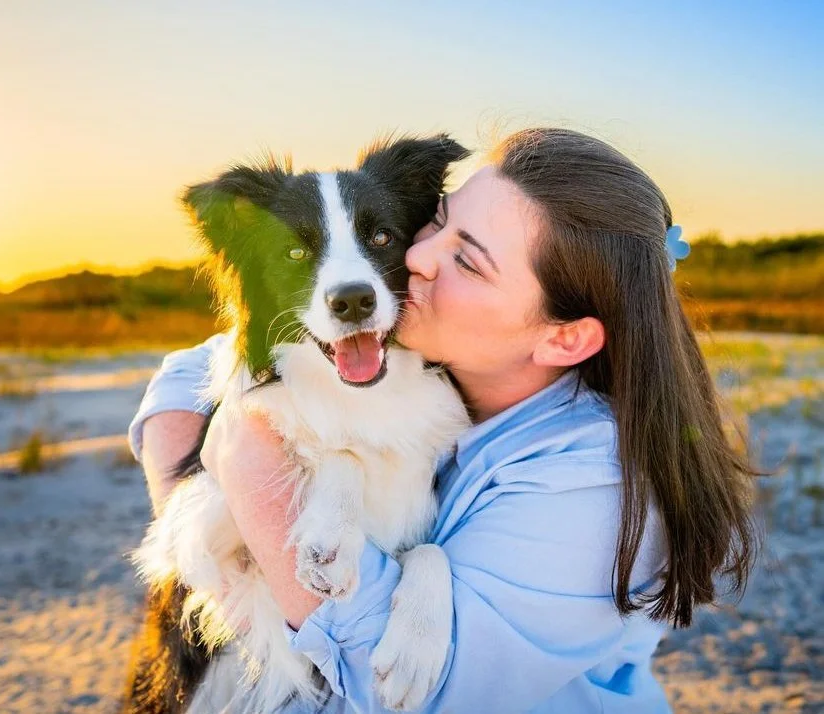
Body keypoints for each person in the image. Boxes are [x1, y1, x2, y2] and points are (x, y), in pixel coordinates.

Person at [128, 128, 756, 713]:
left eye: (469, 261)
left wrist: (247, 463)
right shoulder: (424, 364)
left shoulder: (594, 488)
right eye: (437, 226)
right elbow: (214, 355)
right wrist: (182, 456)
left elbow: (414, 696)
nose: (420, 258)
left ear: (563, 340)